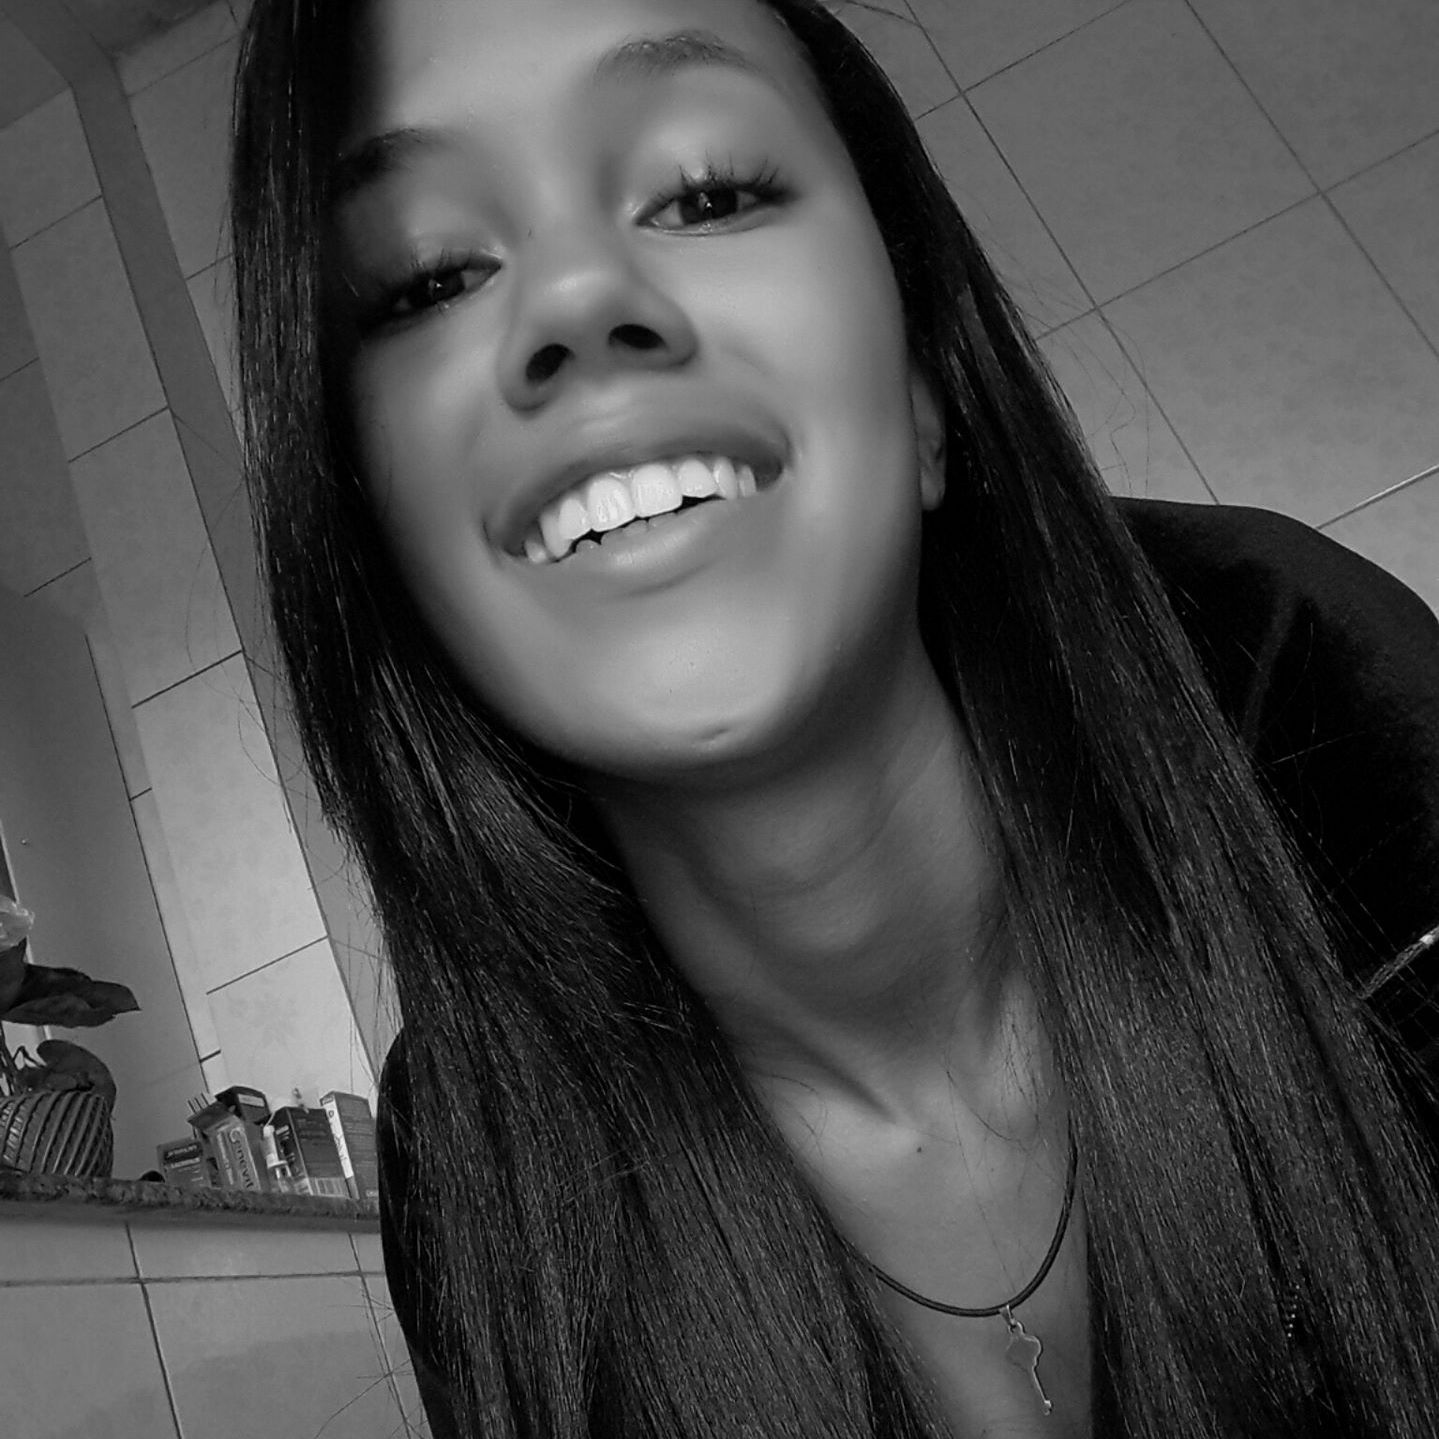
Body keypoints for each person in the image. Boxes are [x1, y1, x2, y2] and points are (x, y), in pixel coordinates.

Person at [228, 0, 1439, 1434]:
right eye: (428, 275)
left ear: (923, 379)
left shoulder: (1320, 716)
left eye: (706, 191)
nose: (574, 301)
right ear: (376, 539)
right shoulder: (482, 1178)